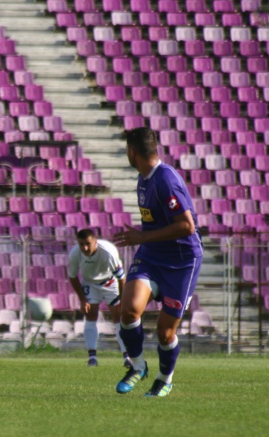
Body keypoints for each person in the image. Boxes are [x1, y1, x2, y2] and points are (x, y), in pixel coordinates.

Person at [113, 127, 203, 397]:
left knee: (165, 333)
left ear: (132, 152)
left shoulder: (165, 179)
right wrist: (144, 239)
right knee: (129, 311)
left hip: (182, 262)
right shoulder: (144, 178)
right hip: (152, 255)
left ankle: (164, 379)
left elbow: (187, 226)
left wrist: (141, 236)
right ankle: (138, 366)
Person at [67, 228, 131, 368]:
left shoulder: (108, 252)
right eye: (81, 244)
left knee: (119, 317)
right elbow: (72, 277)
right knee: (90, 315)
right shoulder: (75, 254)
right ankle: (92, 358)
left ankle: (127, 357)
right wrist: (82, 300)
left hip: (110, 282)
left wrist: (123, 301)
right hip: (90, 282)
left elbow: (121, 278)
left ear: (95, 242)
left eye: (88, 244)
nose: (85, 248)